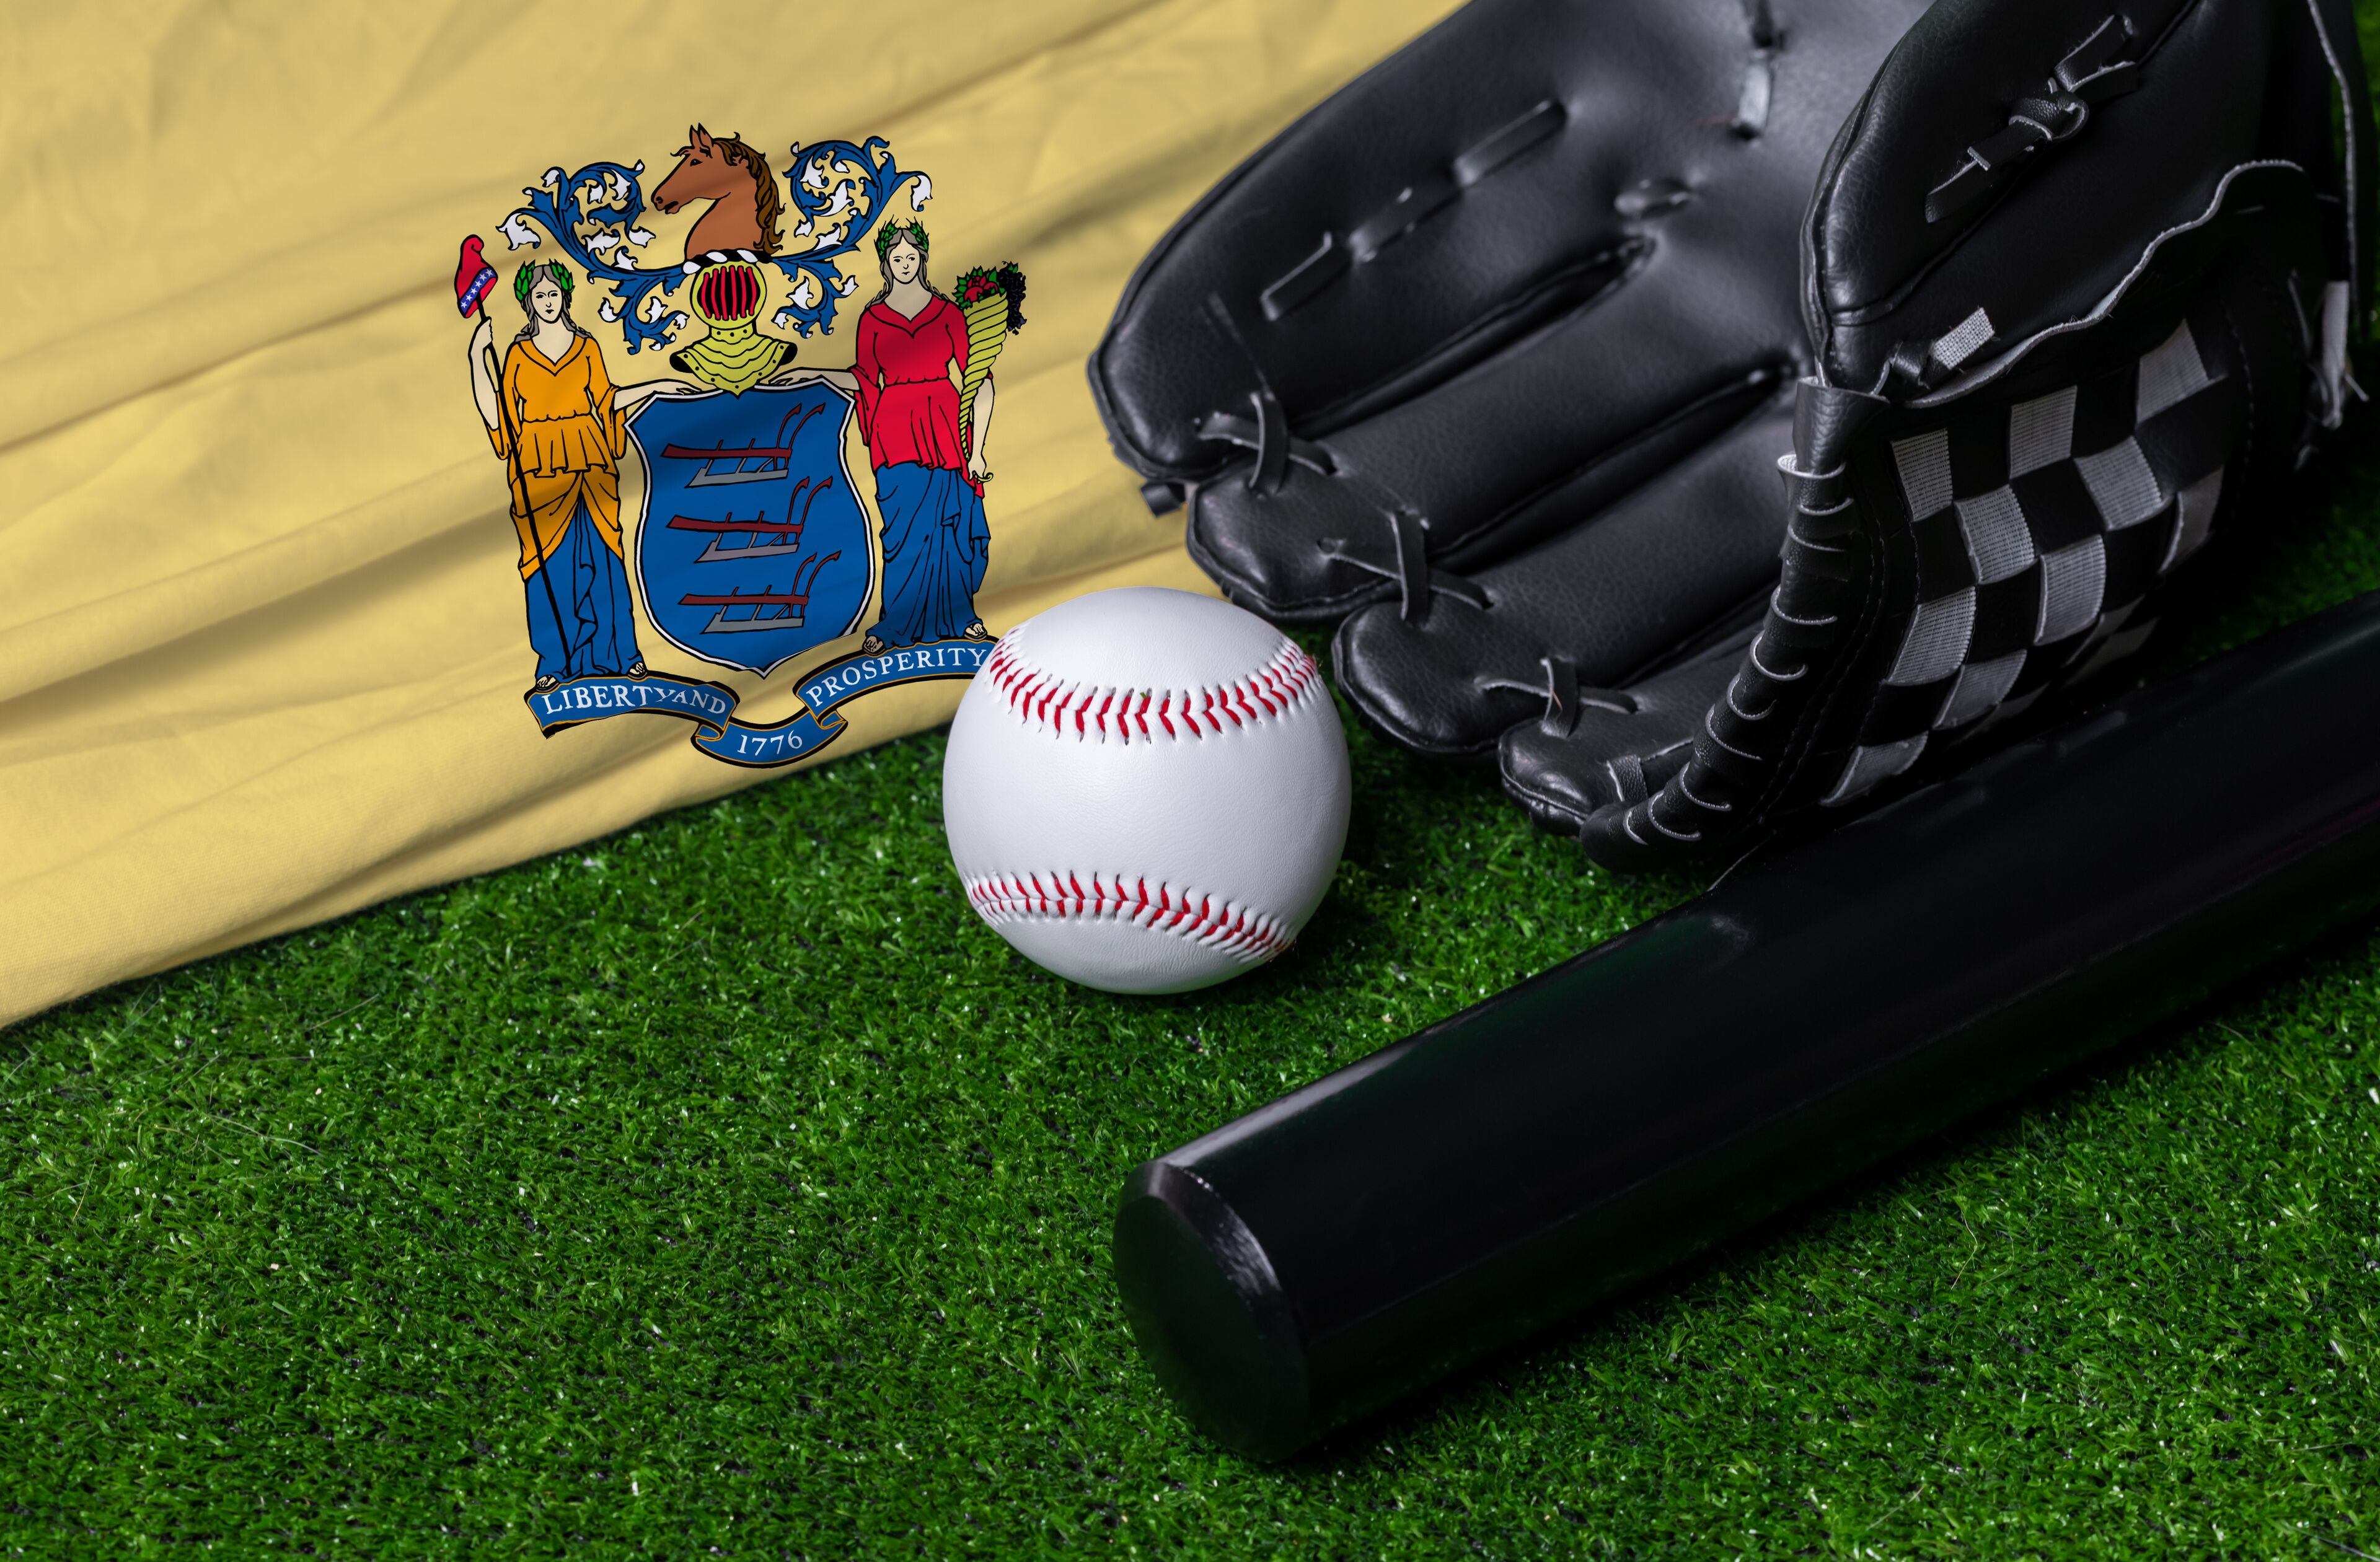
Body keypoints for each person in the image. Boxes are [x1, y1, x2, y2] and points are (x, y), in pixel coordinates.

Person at [467, 261, 679, 691]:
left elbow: (606, 399)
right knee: (547, 565)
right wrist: (476, 358)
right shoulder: (517, 354)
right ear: (529, 302)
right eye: (539, 296)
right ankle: (555, 662)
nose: (548, 302)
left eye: (554, 294)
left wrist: (653, 387)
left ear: (565, 297)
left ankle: (622, 654)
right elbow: (500, 416)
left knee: (604, 557)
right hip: (538, 467)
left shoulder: (586, 347)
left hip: (589, 459)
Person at [851, 221, 995, 654]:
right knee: (903, 532)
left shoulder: (948, 313)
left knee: (952, 526)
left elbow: (979, 380)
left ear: (923, 259)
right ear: (885, 263)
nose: (905, 264)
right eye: (897, 258)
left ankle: (961, 616)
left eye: (911, 257)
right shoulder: (872, 318)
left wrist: (978, 450)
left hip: (946, 425)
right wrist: (819, 377)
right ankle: (895, 623)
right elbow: (863, 378)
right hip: (896, 431)